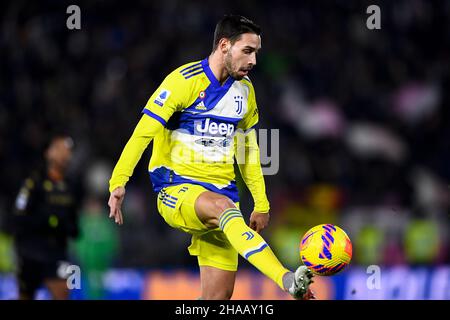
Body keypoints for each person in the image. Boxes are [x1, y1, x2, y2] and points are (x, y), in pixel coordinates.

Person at [108, 14, 314, 300]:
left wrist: (261, 203)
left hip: (224, 200)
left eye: (256, 52)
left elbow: (248, 150)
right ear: (224, 46)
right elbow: (142, 134)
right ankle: (287, 279)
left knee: (216, 299)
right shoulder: (183, 82)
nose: (254, 60)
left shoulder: (246, 91)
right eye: (247, 51)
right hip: (177, 190)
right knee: (223, 208)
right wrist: (118, 182)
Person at [11, 134, 81, 300]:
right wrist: (48, 221)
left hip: (58, 252)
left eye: (68, 151)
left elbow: (74, 223)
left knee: (64, 291)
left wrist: (70, 228)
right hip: (31, 251)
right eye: (60, 149)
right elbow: (18, 216)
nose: (65, 155)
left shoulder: (71, 186)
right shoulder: (34, 183)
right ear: (48, 153)